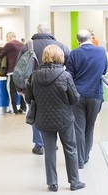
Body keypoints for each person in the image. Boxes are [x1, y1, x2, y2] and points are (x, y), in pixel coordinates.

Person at [25, 44, 85, 192]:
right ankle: (74, 182)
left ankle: (52, 183)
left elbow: (28, 99)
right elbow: (74, 99)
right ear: (60, 57)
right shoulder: (65, 76)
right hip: (65, 120)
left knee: (50, 152)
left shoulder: (34, 76)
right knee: (70, 149)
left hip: (43, 120)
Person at [17, 22, 70, 155]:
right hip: (57, 84)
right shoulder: (61, 46)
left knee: (35, 112)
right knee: (55, 112)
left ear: (37, 31)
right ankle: (52, 142)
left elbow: (20, 68)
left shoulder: (29, 46)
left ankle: (39, 145)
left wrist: (20, 88)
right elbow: (71, 64)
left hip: (34, 84)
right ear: (49, 31)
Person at [66, 29, 107, 169]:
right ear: (91, 38)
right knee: (90, 127)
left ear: (78, 41)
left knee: (78, 128)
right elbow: (104, 71)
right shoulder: (101, 51)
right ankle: (86, 156)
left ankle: (80, 160)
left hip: (77, 96)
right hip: (95, 94)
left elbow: (68, 76)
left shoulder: (74, 53)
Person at [0, 32, 27, 115]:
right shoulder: (22, 45)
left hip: (12, 71)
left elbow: (1, 54)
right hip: (22, 72)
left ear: (9, 37)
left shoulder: (9, 44)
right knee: (22, 91)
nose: (6, 40)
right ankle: (23, 108)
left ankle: (13, 109)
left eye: (7, 38)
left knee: (12, 91)